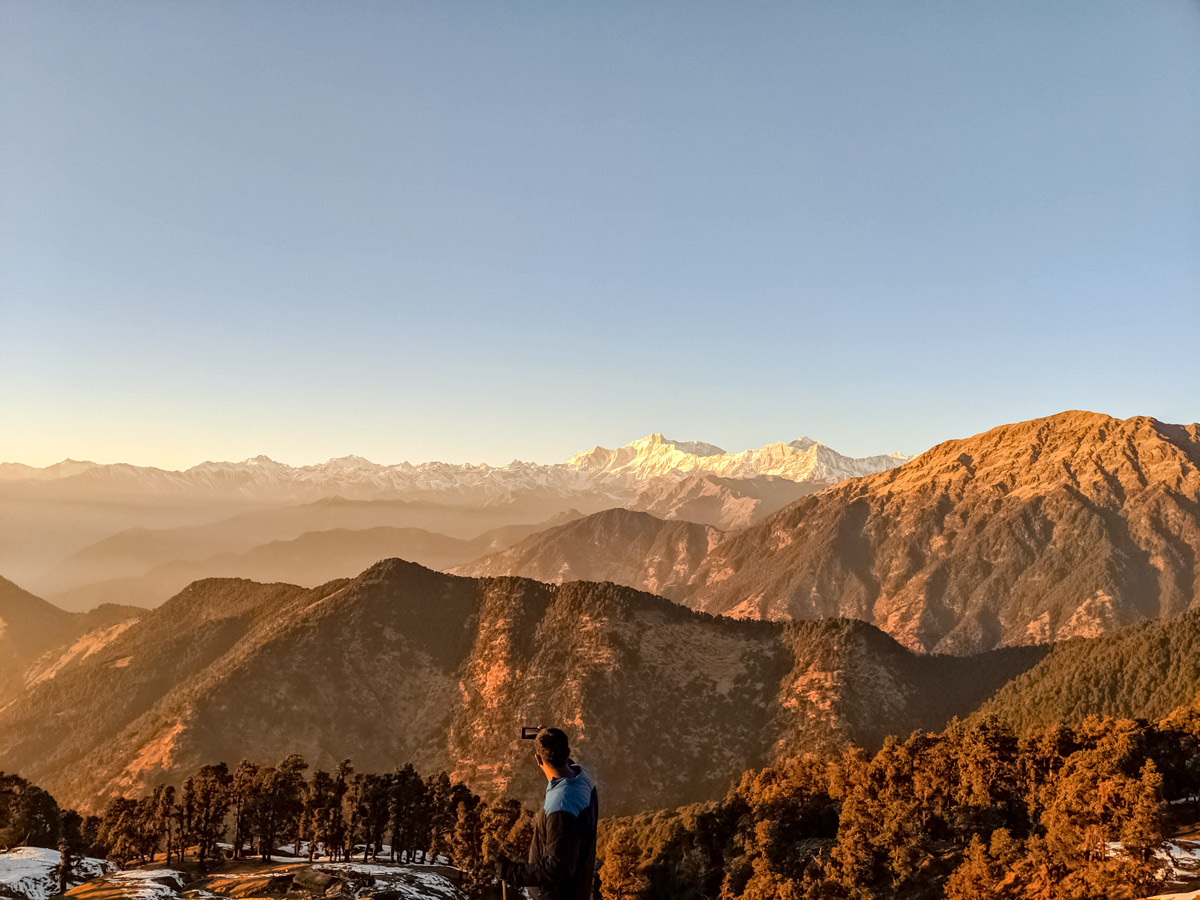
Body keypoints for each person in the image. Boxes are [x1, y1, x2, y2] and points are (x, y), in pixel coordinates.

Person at [497, 727, 598, 900]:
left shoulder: (561, 806)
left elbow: (558, 868)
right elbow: (562, 760)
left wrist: (510, 871)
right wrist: (548, 736)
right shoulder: (583, 777)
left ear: (538, 759)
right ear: (567, 753)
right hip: (579, 888)